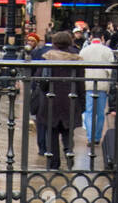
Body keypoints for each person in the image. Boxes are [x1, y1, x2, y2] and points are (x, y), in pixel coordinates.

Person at [32, 29, 85, 168]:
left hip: (51, 100)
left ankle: (54, 162)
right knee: (68, 132)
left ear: (54, 42)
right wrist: (82, 102)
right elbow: (81, 83)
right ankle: (68, 152)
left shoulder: (47, 57)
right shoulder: (76, 58)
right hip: (70, 100)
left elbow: (38, 77)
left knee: (52, 132)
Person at [79, 28, 115, 151]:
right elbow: (111, 71)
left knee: (89, 112)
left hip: (88, 85)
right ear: (102, 38)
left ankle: (90, 137)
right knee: (100, 113)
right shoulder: (108, 51)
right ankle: (97, 137)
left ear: (91, 37)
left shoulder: (84, 51)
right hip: (102, 84)